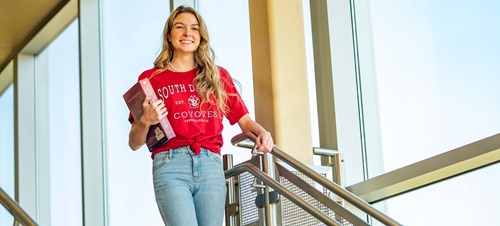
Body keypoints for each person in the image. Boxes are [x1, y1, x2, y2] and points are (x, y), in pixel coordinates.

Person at [127, 5, 274, 226]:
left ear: (200, 36)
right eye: (180, 27)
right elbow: (134, 143)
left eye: (194, 28)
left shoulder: (218, 76)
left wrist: (263, 133)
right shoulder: (150, 79)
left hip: (210, 166)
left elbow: (245, 122)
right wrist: (146, 121)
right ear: (169, 34)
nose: (188, 33)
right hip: (170, 166)